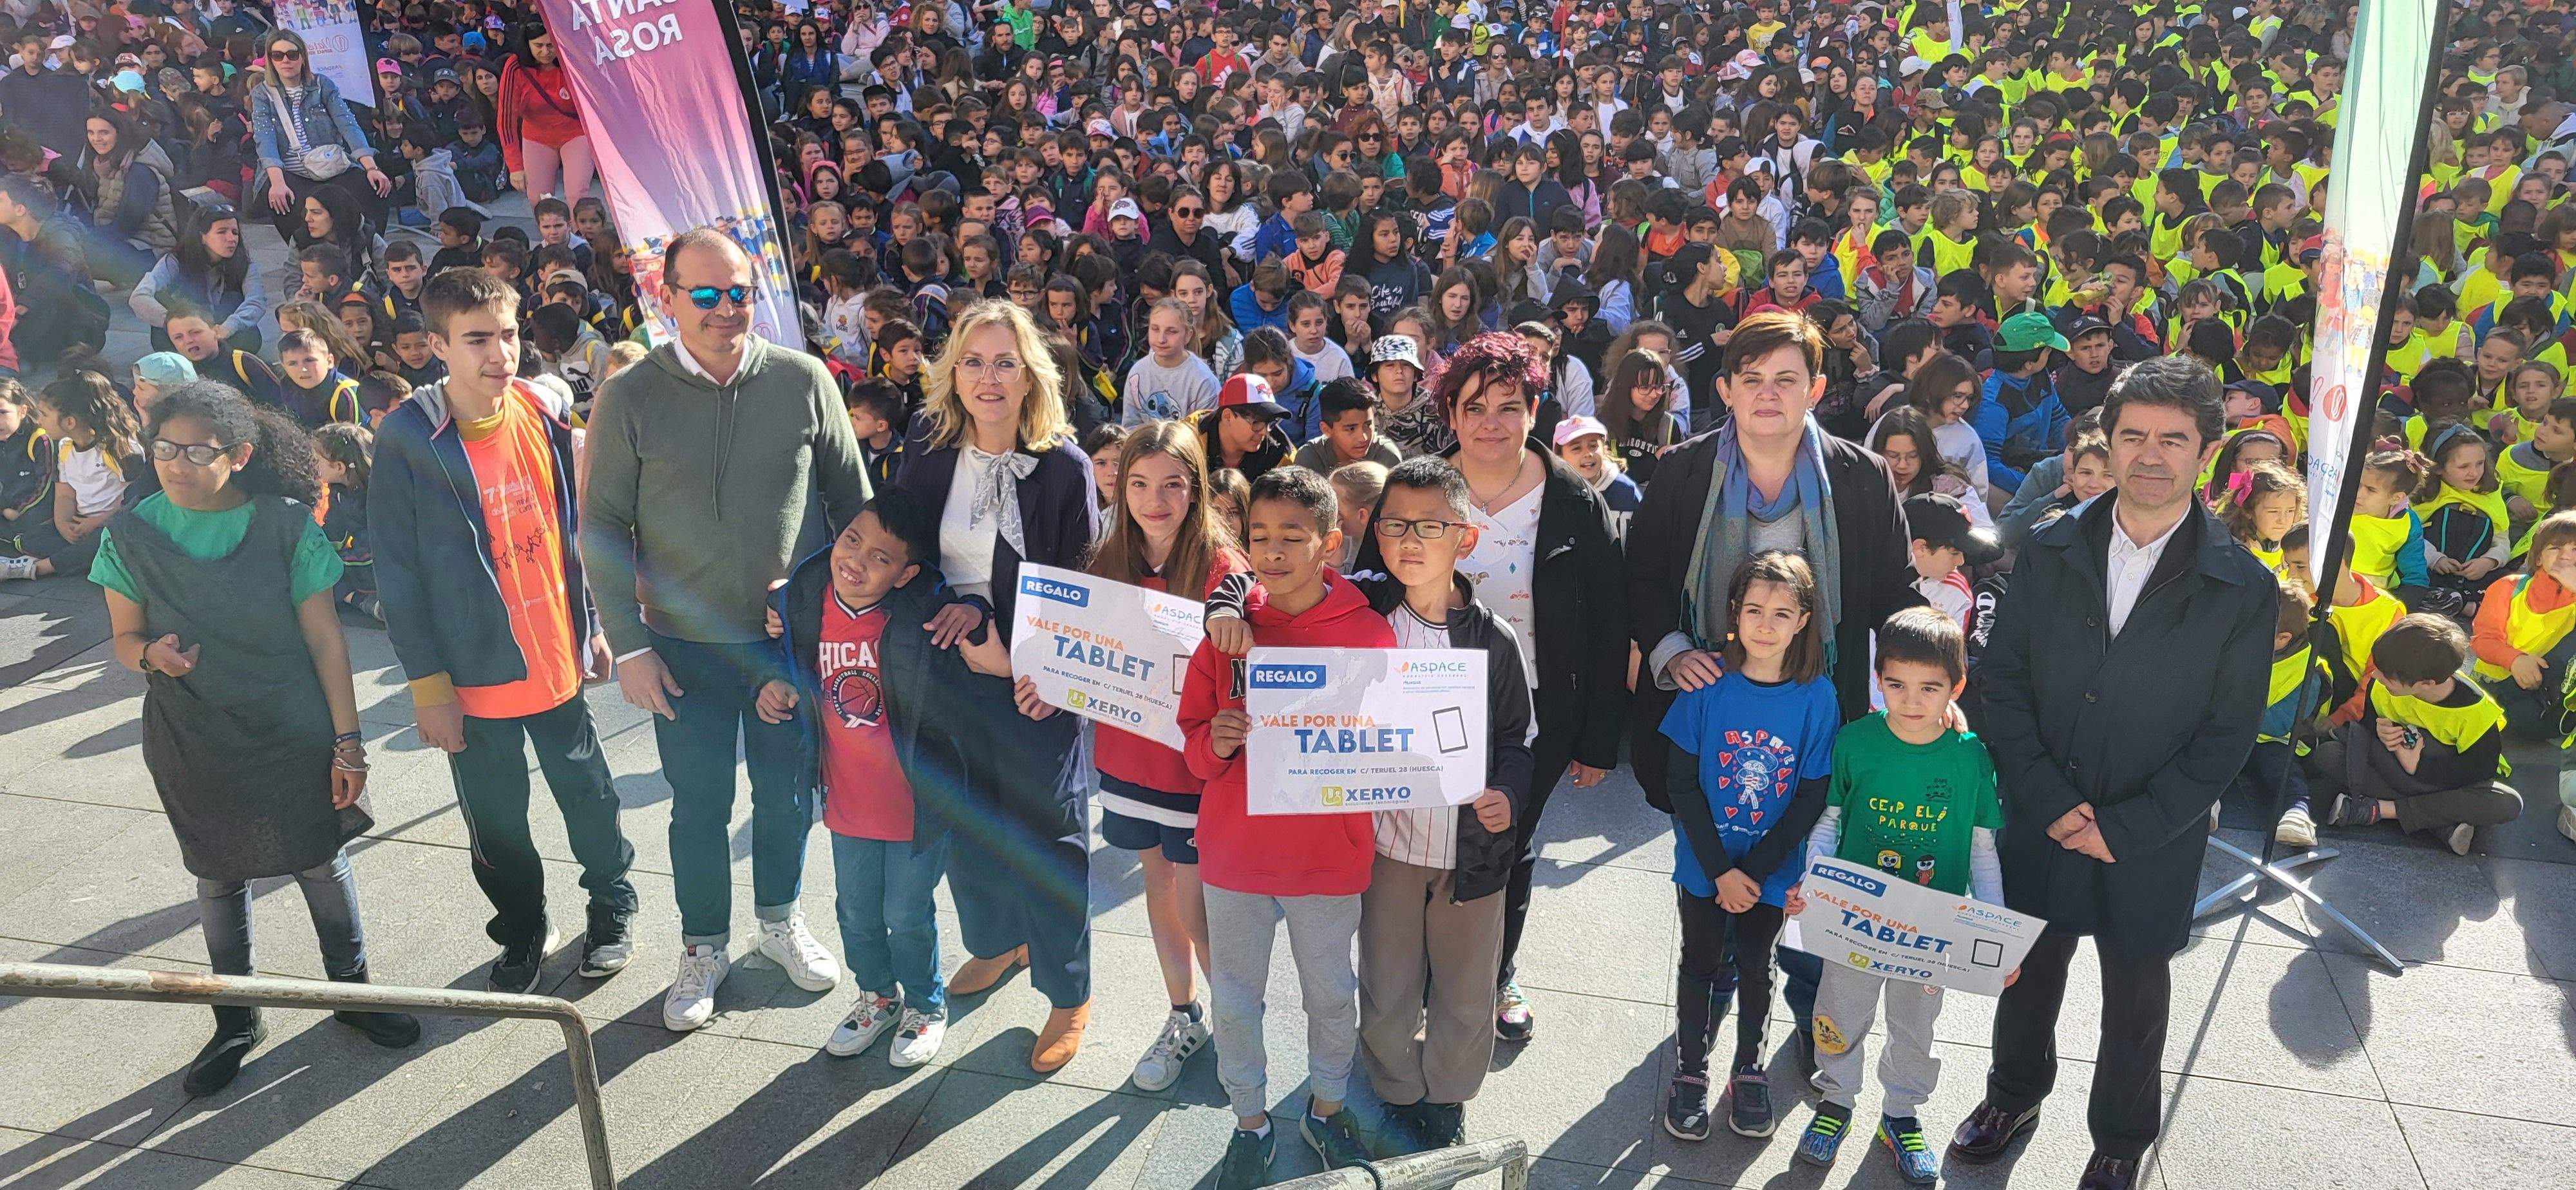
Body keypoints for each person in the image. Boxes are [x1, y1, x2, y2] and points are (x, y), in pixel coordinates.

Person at [1954, 355, 2277, 1190]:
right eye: (2134, 436)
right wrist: (2049, 801)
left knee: (2136, 997)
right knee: (2029, 973)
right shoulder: (2050, 544)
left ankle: (2120, 1141)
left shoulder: (2242, 584)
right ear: (2109, 439)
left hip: (2153, 835)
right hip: (2043, 813)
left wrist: (2127, 826)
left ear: (2206, 450)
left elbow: (2227, 733)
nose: (2150, 455)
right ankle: (2012, 1095)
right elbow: (2003, 680)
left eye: (2173, 439)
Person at [89, 381, 419, 1095]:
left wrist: (349, 744)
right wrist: (152, 657)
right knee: (217, 875)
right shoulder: (130, 533)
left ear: (238, 455)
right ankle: (236, 1018)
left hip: (290, 724)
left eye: (196, 451)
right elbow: (123, 638)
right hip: (192, 732)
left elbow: (327, 641)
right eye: (164, 448)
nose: (174, 463)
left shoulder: (286, 526)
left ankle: (353, 993)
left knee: (319, 860)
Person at [582, 229, 870, 1032]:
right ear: (666, 297)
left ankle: (778, 920)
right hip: (680, 650)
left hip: (785, 648)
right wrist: (630, 645)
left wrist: (817, 594)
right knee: (699, 808)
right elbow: (600, 527)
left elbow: (856, 510)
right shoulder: (630, 395)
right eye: (704, 294)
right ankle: (703, 945)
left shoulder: (804, 380)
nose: (724, 309)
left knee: (785, 797)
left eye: (739, 292)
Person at [1626, 310, 1920, 1056]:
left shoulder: (1860, 477)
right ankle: (1712, 1001)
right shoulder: (1683, 470)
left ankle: (1808, 1014)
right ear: (1724, 388)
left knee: (1807, 871)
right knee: (1716, 875)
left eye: (1786, 379)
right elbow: (1643, 580)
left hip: (1813, 713)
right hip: (1712, 718)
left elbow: (1895, 592)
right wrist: (1670, 650)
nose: (1767, 393)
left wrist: (1930, 680)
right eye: (1750, 377)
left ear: (1815, 389)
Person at [1354, 330, 1628, 1045]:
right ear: (1450, 412)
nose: (1491, 423)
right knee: (1419, 845)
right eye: (1474, 406)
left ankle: (1496, 972)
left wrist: (1598, 738)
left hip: (1531, 712)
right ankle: (1418, 978)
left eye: (1509, 406)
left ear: (1534, 411)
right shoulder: (1417, 483)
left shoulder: (1574, 500)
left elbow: (1610, 622)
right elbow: (1366, 585)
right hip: (1416, 707)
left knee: (1506, 839)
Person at [373, 267, 638, 996]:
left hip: (555, 655)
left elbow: (572, 530)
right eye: (477, 339)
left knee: (589, 795)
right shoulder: (408, 438)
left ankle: (611, 904)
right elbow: (397, 573)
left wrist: (592, 625)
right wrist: (428, 689)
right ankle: (522, 928)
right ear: (437, 346)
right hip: (472, 672)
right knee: (496, 822)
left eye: (510, 334)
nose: (501, 353)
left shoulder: (542, 408)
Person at [889, 298, 1101, 1073]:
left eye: (1004, 363)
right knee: (968, 822)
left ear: (1029, 376)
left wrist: (1027, 663)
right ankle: (999, 941)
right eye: (973, 362)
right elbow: (905, 555)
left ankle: (1069, 993)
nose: (988, 378)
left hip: (1034, 681)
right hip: (946, 669)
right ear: (952, 373)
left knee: (1049, 835)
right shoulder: (927, 445)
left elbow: (1083, 589)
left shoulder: (1065, 468)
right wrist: (964, 617)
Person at [1180, 466, 1392, 1190]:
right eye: (1260, 535)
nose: (1272, 550)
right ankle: (1249, 1120)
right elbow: (1191, 740)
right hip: (1236, 853)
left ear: (1330, 543)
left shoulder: (1368, 634)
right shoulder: (1227, 632)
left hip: (1327, 856)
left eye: (1292, 537)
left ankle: (1326, 1108)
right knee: (1235, 998)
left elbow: (1393, 741)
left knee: (1330, 993)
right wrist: (1215, 742)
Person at [767, 489, 1018, 1066]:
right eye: (851, 540)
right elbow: (783, 652)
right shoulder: (806, 596)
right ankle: (877, 997)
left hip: (916, 803)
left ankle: (926, 1005)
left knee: (907, 914)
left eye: (880, 558)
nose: (856, 560)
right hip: (846, 800)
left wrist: (975, 612)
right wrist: (771, 683)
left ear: (905, 574)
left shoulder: (920, 615)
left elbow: (969, 635)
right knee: (855, 912)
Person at [1789, 606, 2007, 1185]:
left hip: (1932, 930)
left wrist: (1996, 930)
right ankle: (1835, 1101)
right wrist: (1816, 881)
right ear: (1878, 679)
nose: (1911, 700)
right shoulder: (1855, 742)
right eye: (1896, 685)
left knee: (1916, 1025)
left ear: (1956, 686)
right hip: (1856, 922)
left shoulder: (1969, 757)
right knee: (1840, 1013)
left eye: (1929, 688)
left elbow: (1982, 849)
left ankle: (1902, 1114)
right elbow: (1829, 823)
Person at [1084, 420, 1246, 1091]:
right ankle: (1186, 1015)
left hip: (1193, 766)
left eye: (1173, 485)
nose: (1155, 500)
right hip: (1128, 759)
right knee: (1159, 886)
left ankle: (1239, 1027)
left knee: (1199, 906)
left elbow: (1241, 659)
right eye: (1140, 484)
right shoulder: (1106, 559)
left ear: (1196, 489)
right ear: (1120, 488)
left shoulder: (1222, 569)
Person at [1658, 551, 1839, 1143]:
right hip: (1704, 865)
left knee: (1759, 966)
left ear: (1803, 620)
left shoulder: (1818, 697)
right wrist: (1720, 871)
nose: (1766, 624)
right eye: (1754, 609)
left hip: (1771, 870)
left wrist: (1755, 874)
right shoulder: (1706, 685)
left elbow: (1811, 795)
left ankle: (1749, 1070)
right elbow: (1681, 783)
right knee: (1700, 963)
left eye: (1782, 613)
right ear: (1734, 611)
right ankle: (1690, 1069)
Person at [2312, 614, 2526, 856]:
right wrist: (2380, 733)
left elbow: (2478, 770)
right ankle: (2440, 823)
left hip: (2448, 777)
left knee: (2507, 803)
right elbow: (2368, 726)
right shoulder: (2381, 684)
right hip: (2397, 767)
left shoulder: (2477, 712)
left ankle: (2383, 809)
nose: (2375, 676)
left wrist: (2419, 767)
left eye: (2386, 676)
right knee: (2328, 755)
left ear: (2426, 683)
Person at [248, 29, 393, 242]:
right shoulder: (262, 94)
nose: (285, 60)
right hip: (289, 170)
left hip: (329, 164)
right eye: (278, 55)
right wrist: (277, 182)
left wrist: (371, 168)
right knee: (283, 200)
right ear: (270, 60)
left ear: (303, 58)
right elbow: (265, 139)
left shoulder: (322, 85)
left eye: (292, 54)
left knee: (375, 187)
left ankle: (368, 248)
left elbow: (348, 124)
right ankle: (305, 253)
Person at [1, 374, 141, 582]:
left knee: (106, 540)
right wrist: (63, 524)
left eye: (44, 414)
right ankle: (88, 559)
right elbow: (65, 495)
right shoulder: (65, 448)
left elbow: (136, 501)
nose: (39, 420)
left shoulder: (118, 448)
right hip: (81, 524)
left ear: (69, 422)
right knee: (33, 539)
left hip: (113, 524)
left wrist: (96, 522)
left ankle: (35, 568)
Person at [133, 203, 269, 355]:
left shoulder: (245, 265)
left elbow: (256, 301)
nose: (231, 239)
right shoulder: (175, 261)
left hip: (222, 331)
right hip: (186, 333)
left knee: (248, 334)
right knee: (163, 305)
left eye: (235, 232)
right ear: (202, 236)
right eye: (222, 232)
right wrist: (172, 322)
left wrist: (229, 327)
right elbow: (139, 296)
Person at [498, 23, 592, 202]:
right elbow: (505, 120)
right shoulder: (515, 67)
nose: (545, 52)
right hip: (537, 137)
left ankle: (580, 222)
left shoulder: (573, 59)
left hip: (575, 133)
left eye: (551, 45)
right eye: (538, 46)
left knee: (577, 195)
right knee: (538, 198)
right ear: (528, 45)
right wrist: (515, 166)